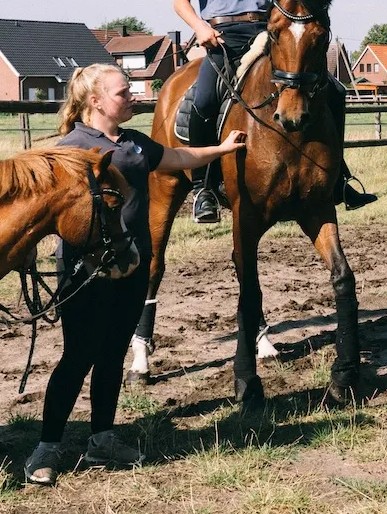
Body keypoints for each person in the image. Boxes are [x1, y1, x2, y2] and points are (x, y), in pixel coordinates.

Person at [24, 63, 246, 485]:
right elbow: (39, 209)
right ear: (95, 101)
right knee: (78, 357)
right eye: (123, 93)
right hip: (86, 271)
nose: (133, 98)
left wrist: (221, 149)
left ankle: (102, 439)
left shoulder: (135, 143)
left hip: (134, 265)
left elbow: (178, 157)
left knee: (112, 355)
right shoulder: (69, 149)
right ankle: (47, 446)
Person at [172, 0, 374, 224]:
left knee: (333, 90)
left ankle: (340, 178)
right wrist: (200, 27)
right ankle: (203, 188)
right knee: (203, 100)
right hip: (221, 35)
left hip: (267, 32)